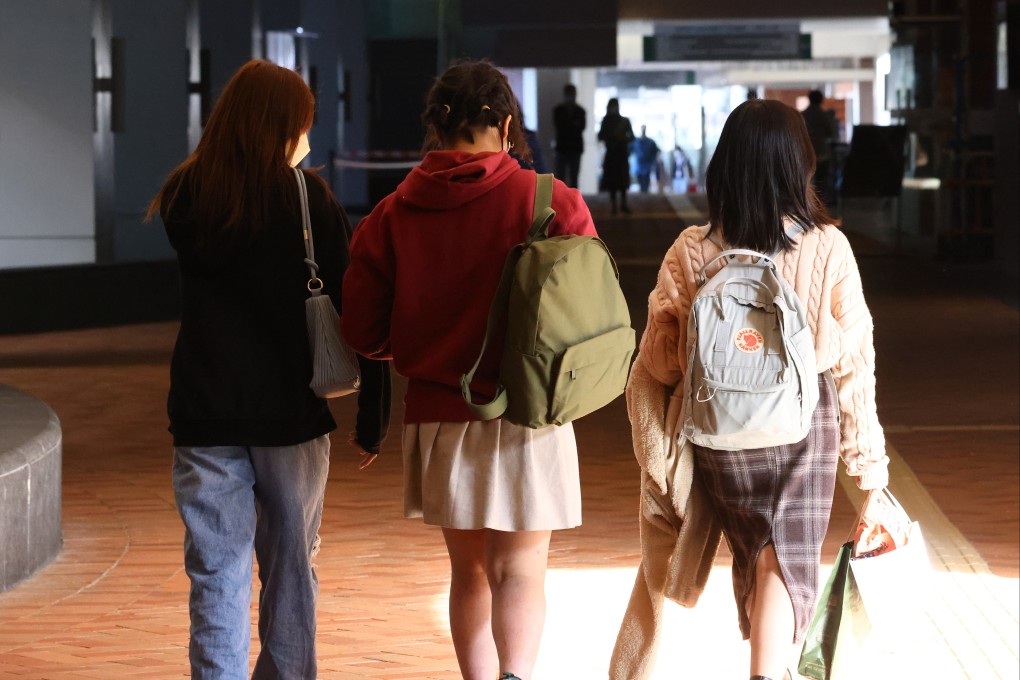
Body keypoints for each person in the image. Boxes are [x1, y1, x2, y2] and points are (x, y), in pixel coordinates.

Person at [340, 59, 597, 680]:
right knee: (521, 569)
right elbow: (593, 316)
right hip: (530, 415)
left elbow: (362, 331)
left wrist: (422, 347)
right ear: (505, 124)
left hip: (441, 419)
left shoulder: (393, 213)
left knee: (470, 571)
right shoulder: (550, 200)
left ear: (437, 127)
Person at [145, 59, 390, 679]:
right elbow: (355, 306)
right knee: (289, 568)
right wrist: (373, 410)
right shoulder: (308, 198)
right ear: (285, 126)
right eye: (304, 123)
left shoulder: (186, 193)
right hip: (290, 414)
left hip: (205, 411)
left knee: (215, 570)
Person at [630, 98, 888, 680]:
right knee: (782, 556)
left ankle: (768, 667)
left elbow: (662, 363)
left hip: (722, 428)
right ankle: (766, 674)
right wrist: (869, 471)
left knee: (757, 551)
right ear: (801, 164)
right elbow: (855, 363)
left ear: (726, 165)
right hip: (804, 428)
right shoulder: (827, 247)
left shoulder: (690, 250)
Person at [597, 98, 635, 215]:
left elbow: (632, 137)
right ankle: (614, 205)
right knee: (612, 181)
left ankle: (623, 204)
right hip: (612, 153)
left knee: (622, 181)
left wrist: (622, 138)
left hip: (621, 153)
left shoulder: (624, 121)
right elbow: (600, 136)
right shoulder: (606, 121)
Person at [801, 90, 838, 205]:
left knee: (807, 182)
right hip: (822, 153)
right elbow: (831, 132)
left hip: (806, 153)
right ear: (821, 100)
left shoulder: (803, 115)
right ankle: (820, 205)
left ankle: (808, 204)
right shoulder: (823, 115)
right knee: (822, 182)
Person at [552, 83, 585, 187]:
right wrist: (573, 124)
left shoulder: (580, 111)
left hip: (575, 148)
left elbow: (582, 127)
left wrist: (570, 125)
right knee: (560, 177)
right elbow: (560, 126)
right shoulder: (559, 110)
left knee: (574, 176)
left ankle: (573, 200)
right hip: (562, 147)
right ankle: (561, 199)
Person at [631, 125, 661, 193]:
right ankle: (643, 192)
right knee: (641, 181)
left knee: (645, 182)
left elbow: (655, 152)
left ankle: (644, 193)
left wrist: (653, 163)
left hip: (647, 166)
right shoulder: (636, 141)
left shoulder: (650, 142)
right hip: (639, 166)